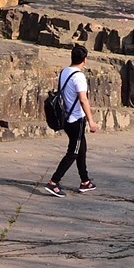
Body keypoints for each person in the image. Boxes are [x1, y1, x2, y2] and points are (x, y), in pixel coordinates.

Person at [45, 44, 98, 195]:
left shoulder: (64, 72)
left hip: (65, 117)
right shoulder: (79, 77)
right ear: (85, 60)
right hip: (75, 119)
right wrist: (91, 121)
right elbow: (83, 100)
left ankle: (85, 181)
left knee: (81, 148)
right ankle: (53, 182)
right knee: (73, 152)